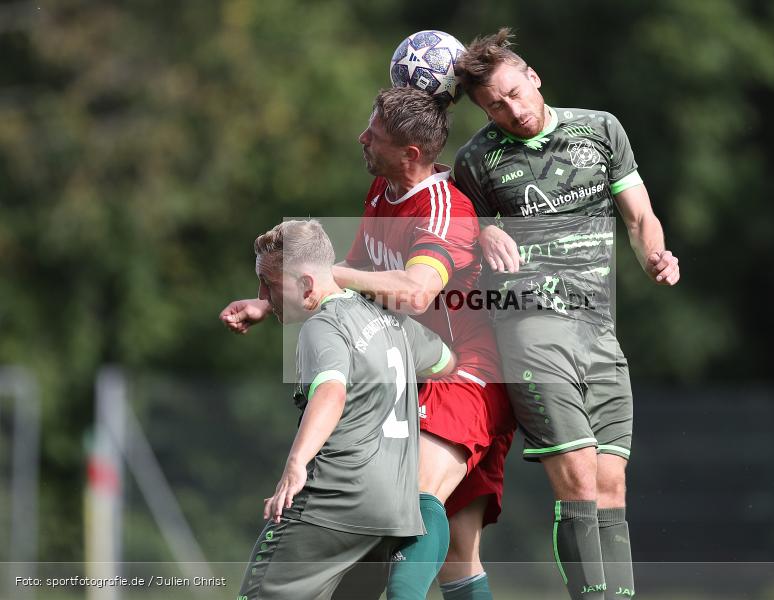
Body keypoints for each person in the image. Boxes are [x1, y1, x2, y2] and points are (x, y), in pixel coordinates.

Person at [222, 88, 516, 600]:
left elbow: (417, 288)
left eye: (373, 135)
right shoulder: (383, 190)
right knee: (455, 557)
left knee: (409, 500)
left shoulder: (442, 208)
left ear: (411, 154)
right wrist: (270, 302)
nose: (362, 138)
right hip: (417, 369)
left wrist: (316, 270)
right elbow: (357, 279)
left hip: (465, 371)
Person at [453, 28, 681, 599]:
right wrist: (484, 236)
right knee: (577, 478)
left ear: (533, 77)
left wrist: (654, 253)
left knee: (611, 484)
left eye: (513, 93)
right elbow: (459, 237)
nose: (511, 110)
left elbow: (639, 216)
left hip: (598, 330)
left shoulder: (601, 129)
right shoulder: (476, 160)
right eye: (494, 106)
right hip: (529, 327)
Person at [235, 219, 456, 600]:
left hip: (334, 505)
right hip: (392, 515)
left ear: (307, 285)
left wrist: (295, 464)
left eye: (269, 283)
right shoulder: (391, 319)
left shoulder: (321, 327)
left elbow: (331, 392)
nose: (263, 295)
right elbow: (444, 361)